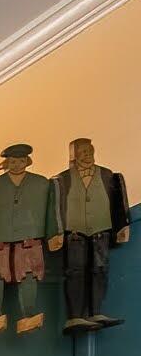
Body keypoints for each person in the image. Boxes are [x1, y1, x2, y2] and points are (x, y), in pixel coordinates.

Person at [0, 143, 56, 336]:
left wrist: (53, 233)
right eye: (13, 161)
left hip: (29, 236)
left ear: (27, 161)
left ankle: (28, 315)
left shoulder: (41, 184)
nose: (17, 165)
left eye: (21, 161)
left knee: (28, 274)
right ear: (6, 163)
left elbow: (52, 210)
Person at [47, 136, 131, 333]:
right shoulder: (62, 179)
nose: (87, 156)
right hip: (74, 232)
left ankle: (97, 311)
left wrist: (122, 227)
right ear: (74, 156)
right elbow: (55, 207)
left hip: (101, 229)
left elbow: (119, 204)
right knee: (75, 270)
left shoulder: (107, 175)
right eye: (83, 152)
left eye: (90, 152)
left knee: (100, 268)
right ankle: (75, 316)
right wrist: (55, 232)